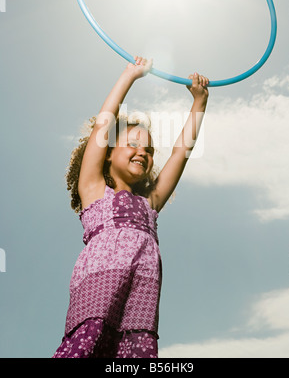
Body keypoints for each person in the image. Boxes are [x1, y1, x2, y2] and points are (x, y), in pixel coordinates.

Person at [52, 56, 209, 358]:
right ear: (108, 153)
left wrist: (199, 104)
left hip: (141, 302)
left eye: (149, 150)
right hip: (98, 286)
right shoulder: (94, 190)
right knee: (88, 343)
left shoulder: (150, 203)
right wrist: (130, 75)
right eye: (133, 144)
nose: (143, 152)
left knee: (134, 354)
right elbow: (104, 123)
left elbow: (182, 152)